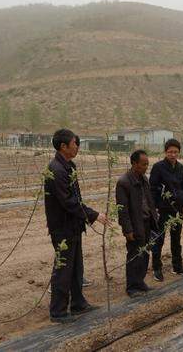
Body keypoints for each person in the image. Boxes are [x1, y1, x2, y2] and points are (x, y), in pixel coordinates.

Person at [45, 129, 111, 323]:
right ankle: (57, 311)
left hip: (72, 225)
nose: (77, 147)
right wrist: (93, 214)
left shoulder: (68, 166)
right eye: (75, 144)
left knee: (76, 268)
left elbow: (75, 199)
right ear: (63, 146)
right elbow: (68, 202)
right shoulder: (56, 170)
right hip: (62, 228)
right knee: (63, 269)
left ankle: (78, 303)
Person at [116, 150, 159, 298]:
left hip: (146, 223)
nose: (146, 166)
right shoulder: (124, 182)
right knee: (134, 255)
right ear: (134, 164)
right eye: (143, 164)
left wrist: (155, 217)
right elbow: (123, 210)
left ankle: (140, 282)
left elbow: (149, 201)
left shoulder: (143, 179)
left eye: (147, 163)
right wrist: (127, 230)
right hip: (135, 225)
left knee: (145, 253)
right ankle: (132, 287)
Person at [150, 138, 183, 281]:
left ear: (179, 152)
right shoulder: (158, 167)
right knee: (159, 238)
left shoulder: (180, 167)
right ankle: (156, 268)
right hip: (163, 209)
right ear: (165, 152)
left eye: (175, 152)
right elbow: (153, 189)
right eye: (170, 152)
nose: (173, 155)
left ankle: (177, 266)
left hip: (178, 209)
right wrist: (156, 207)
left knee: (176, 238)